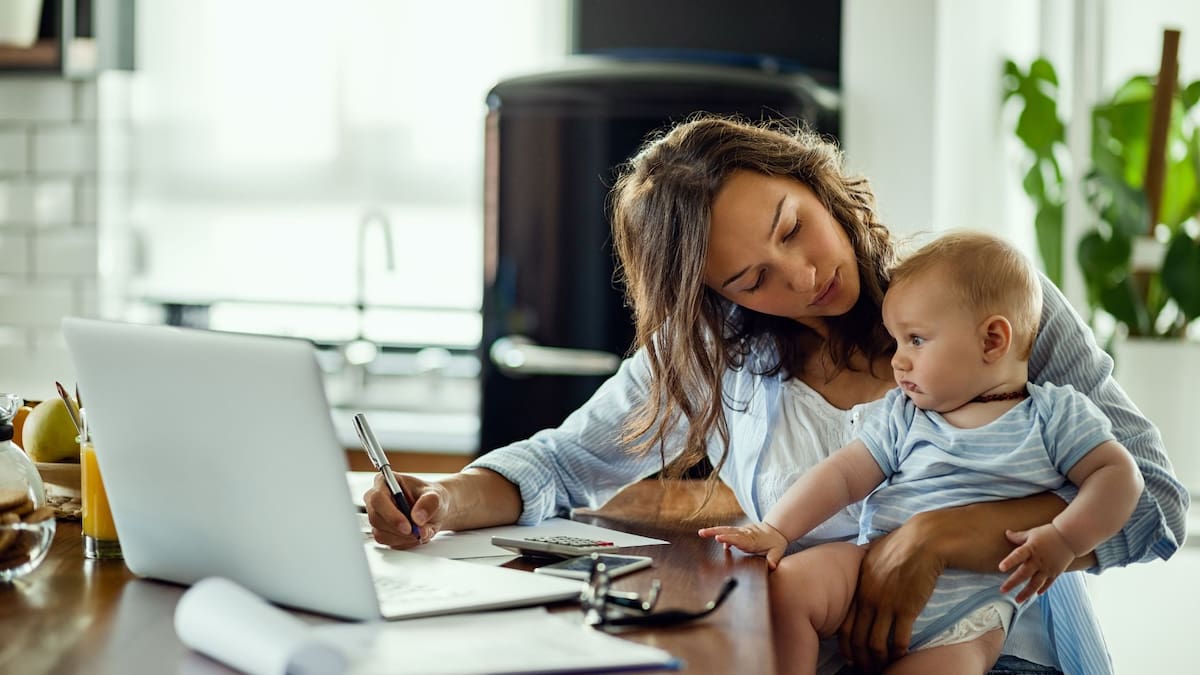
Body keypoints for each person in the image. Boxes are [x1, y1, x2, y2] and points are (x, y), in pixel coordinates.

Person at [364, 114, 1187, 674]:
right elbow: (562, 462)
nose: (803, 276)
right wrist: (440, 497)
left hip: (997, 651)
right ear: (720, 296)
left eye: (793, 226)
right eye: (753, 277)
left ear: (816, 182)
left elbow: (1156, 509)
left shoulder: (986, 302)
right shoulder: (719, 353)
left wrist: (936, 536)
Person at [698, 231, 1144, 674]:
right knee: (787, 589)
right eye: (895, 342)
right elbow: (843, 475)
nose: (898, 361)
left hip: (970, 616)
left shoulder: (1053, 416)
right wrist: (777, 528)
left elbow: (1120, 475)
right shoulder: (907, 414)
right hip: (870, 565)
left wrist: (1067, 538)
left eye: (915, 340)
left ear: (992, 340)